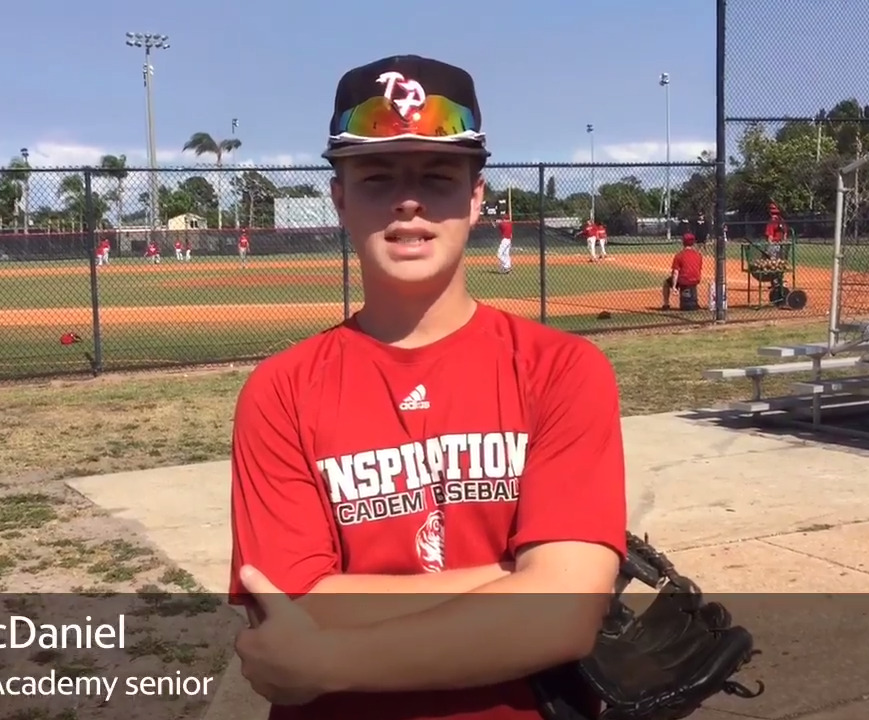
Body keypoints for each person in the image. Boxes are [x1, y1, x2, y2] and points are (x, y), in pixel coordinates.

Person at [228, 54, 626, 720]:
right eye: (378, 176)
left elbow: (562, 620)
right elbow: (289, 602)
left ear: (475, 198)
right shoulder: (282, 390)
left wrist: (325, 660)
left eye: (437, 177)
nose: (408, 200)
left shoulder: (562, 369)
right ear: (340, 197)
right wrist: (513, 582)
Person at [661, 232, 703, 310]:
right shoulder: (698, 255)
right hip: (696, 279)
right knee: (691, 281)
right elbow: (698, 268)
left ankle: (666, 304)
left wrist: (674, 286)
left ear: (683, 242)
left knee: (666, 283)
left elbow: (675, 272)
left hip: (684, 280)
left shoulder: (679, 255)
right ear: (693, 243)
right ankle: (694, 302)